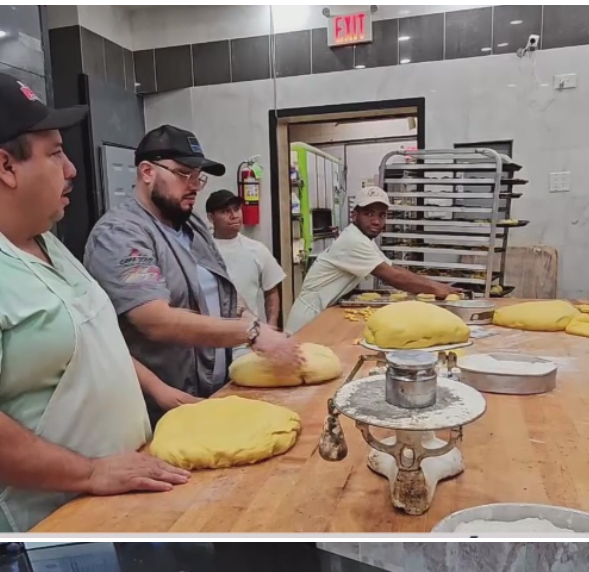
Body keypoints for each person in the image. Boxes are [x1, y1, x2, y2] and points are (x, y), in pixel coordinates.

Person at [0, 73, 189, 532]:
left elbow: (88, 335)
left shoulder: (41, 238)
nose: (71, 169)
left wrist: (158, 390)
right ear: (6, 166)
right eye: (55, 153)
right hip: (35, 531)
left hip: (112, 501)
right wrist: (92, 472)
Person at [85, 125, 305, 411]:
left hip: (211, 389)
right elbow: (154, 320)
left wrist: (257, 323)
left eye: (198, 177)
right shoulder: (120, 234)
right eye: (182, 174)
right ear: (147, 172)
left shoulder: (192, 224)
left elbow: (222, 288)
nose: (194, 185)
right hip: (159, 403)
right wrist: (250, 332)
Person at [284, 185, 456, 332]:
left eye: (381, 215)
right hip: (307, 322)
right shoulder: (352, 240)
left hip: (320, 316)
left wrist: (438, 285)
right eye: (368, 213)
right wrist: (436, 289)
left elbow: (394, 268)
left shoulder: (363, 239)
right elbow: (394, 277)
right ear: (354, 215)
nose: (376, 221)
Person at [205, 188, 285, 326]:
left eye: (236, 209)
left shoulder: (257, 249)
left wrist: (271, 327)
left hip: (247, 338)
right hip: (212, 337)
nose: (234, 215)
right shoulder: (201, 250)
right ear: (211, 218)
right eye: (225, 211)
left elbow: (271, 291)